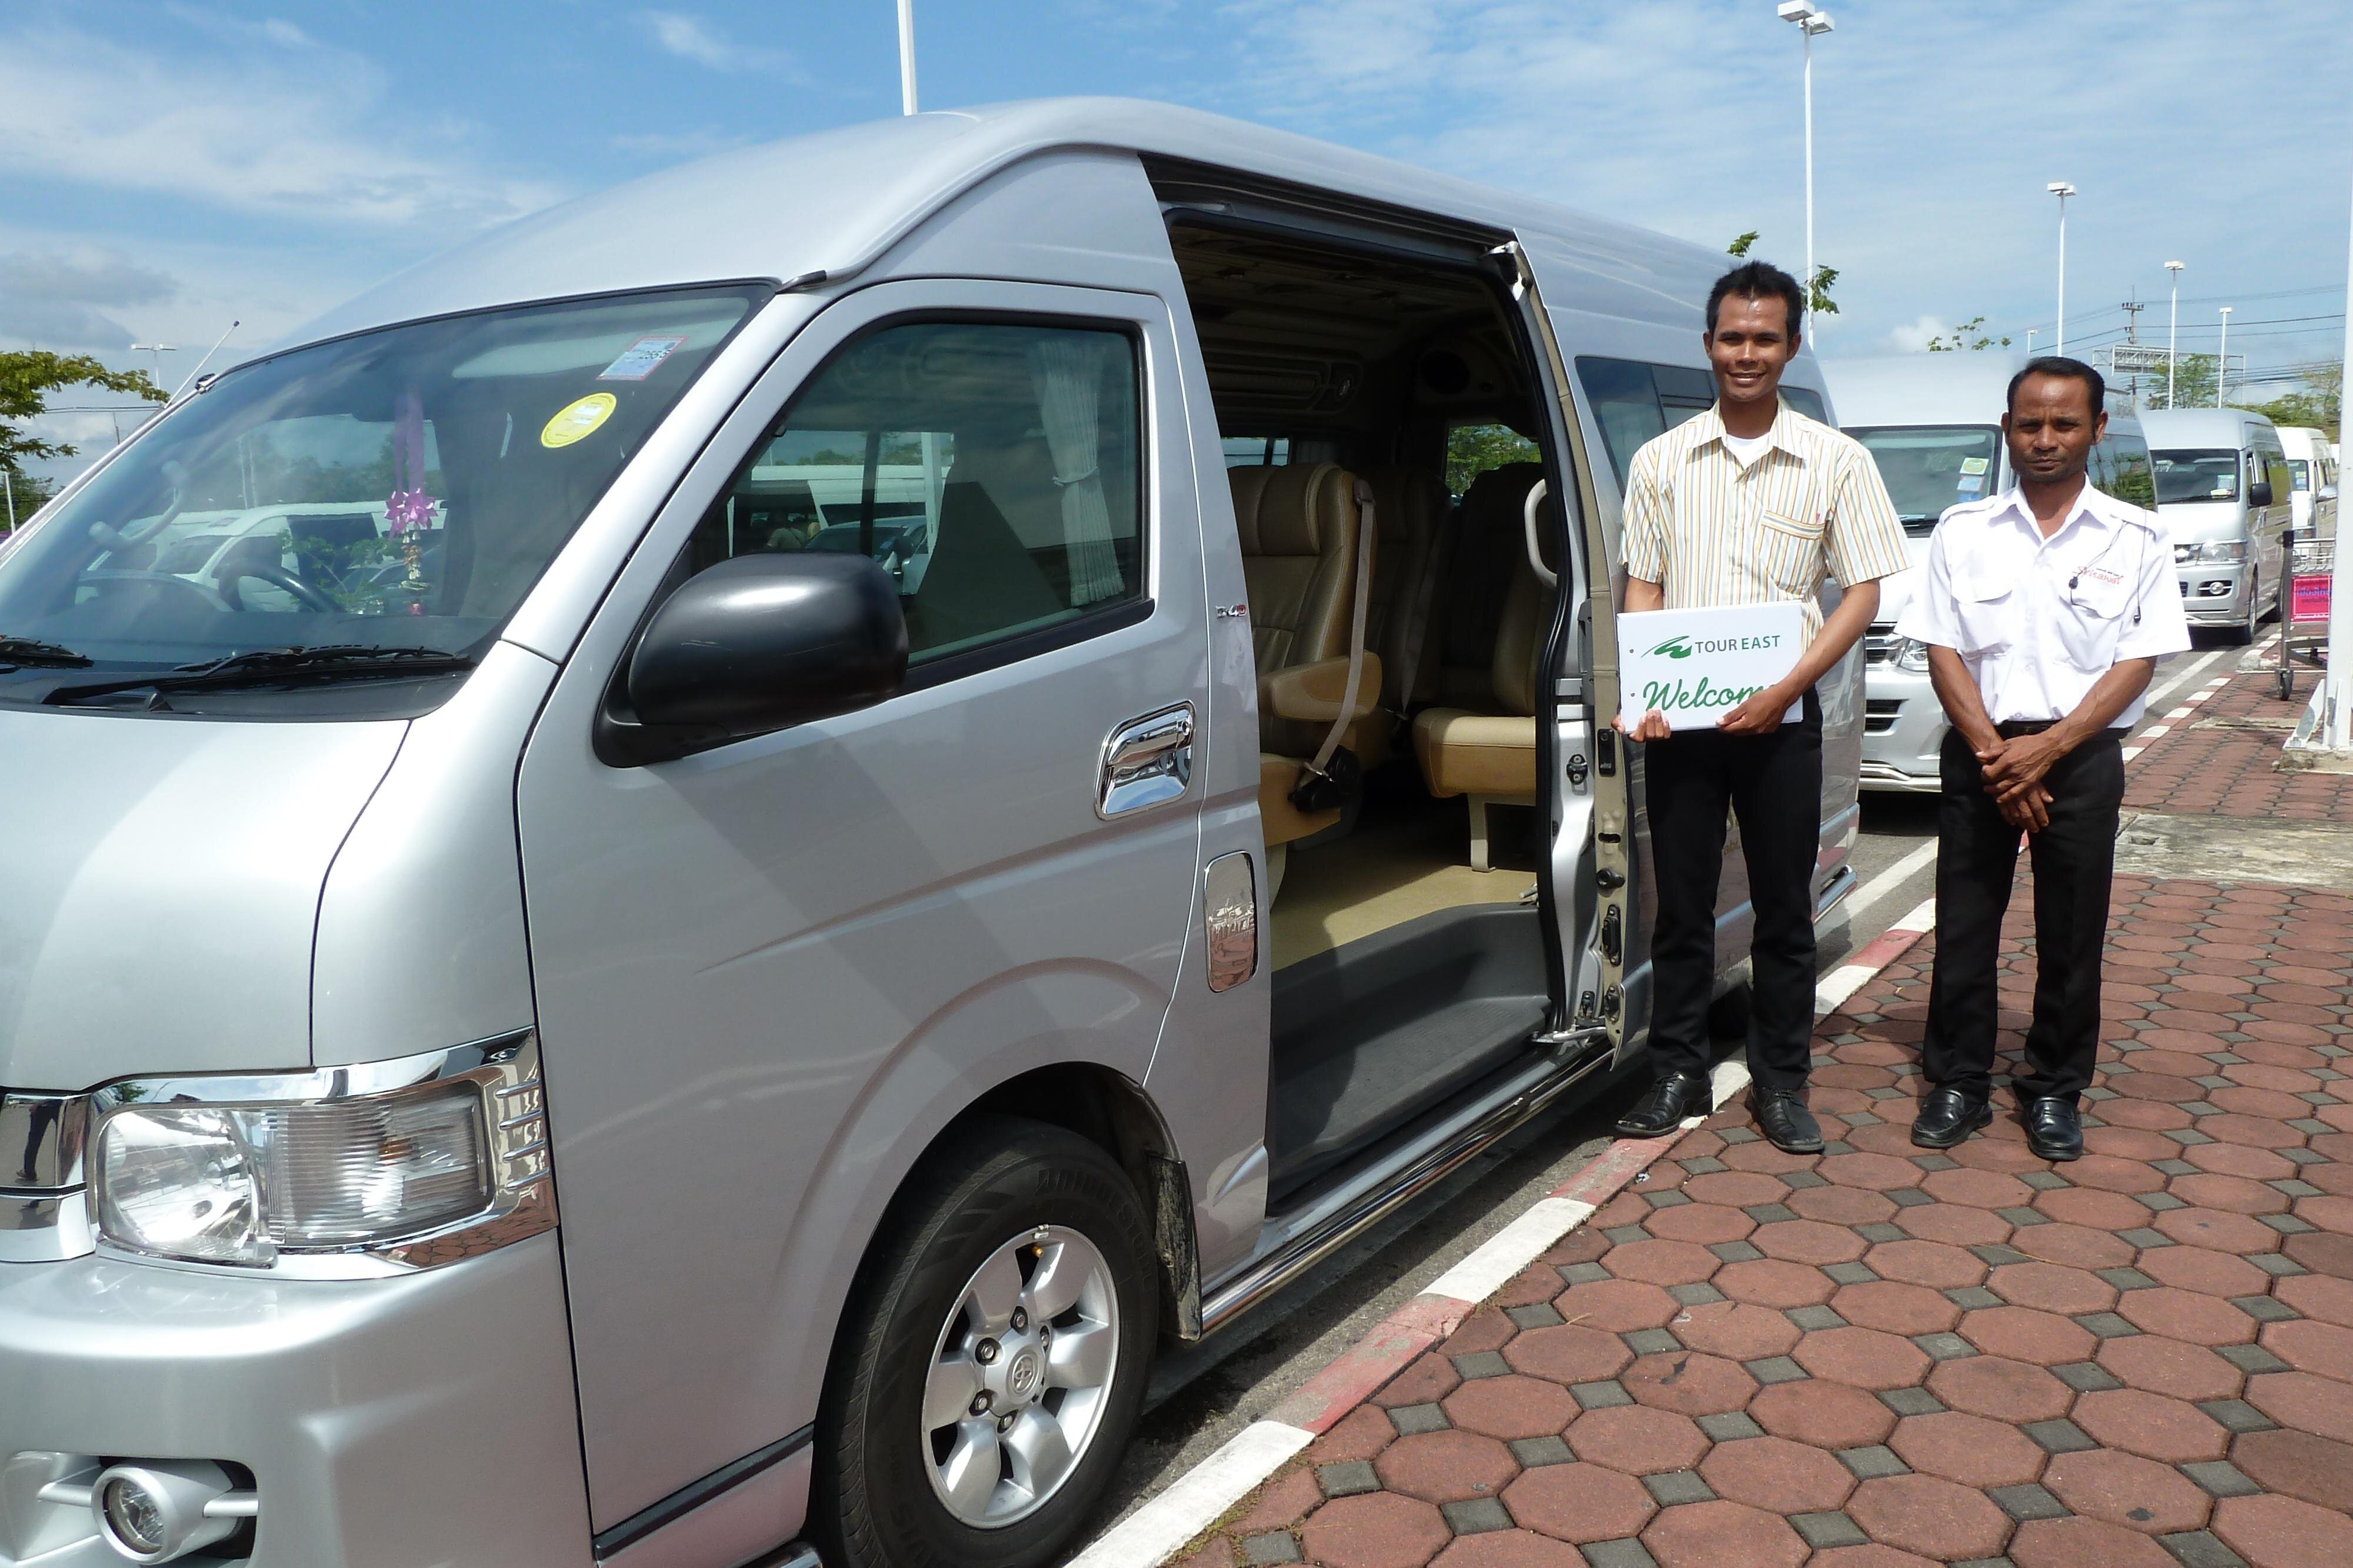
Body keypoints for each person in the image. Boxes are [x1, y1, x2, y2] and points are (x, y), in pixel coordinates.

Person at [1612, 261, 1909, 1152]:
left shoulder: (1836, 461)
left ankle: (1781, 1081)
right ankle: (1677, 1071)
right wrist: (1646, 691)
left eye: (1766, 339)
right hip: (1684, 722)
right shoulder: (1661, 461)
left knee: (1784, 907)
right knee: (1680, 905)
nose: (1748, 354)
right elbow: (1644, 586)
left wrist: (1784, 689)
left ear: (1791, 346)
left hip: (1784, 721)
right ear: (1708, 344)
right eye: (1734, 338)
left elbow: (1861, 593)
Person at [1895, 357, 2189, 1160]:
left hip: (2081, 752)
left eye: (2065, 423)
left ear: (2097, 429)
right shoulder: (1964, 531)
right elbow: (1942, 646)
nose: (2046, 438)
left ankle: (2055, 1087)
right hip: (1981, 749)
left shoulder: (2136, 536)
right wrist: (1998, 756)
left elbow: (2139, 657)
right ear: (2007, 430)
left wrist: (2050, 749)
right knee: (1965, 925)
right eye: (2030, 424)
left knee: (2071, 931)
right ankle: (1958, 1081)